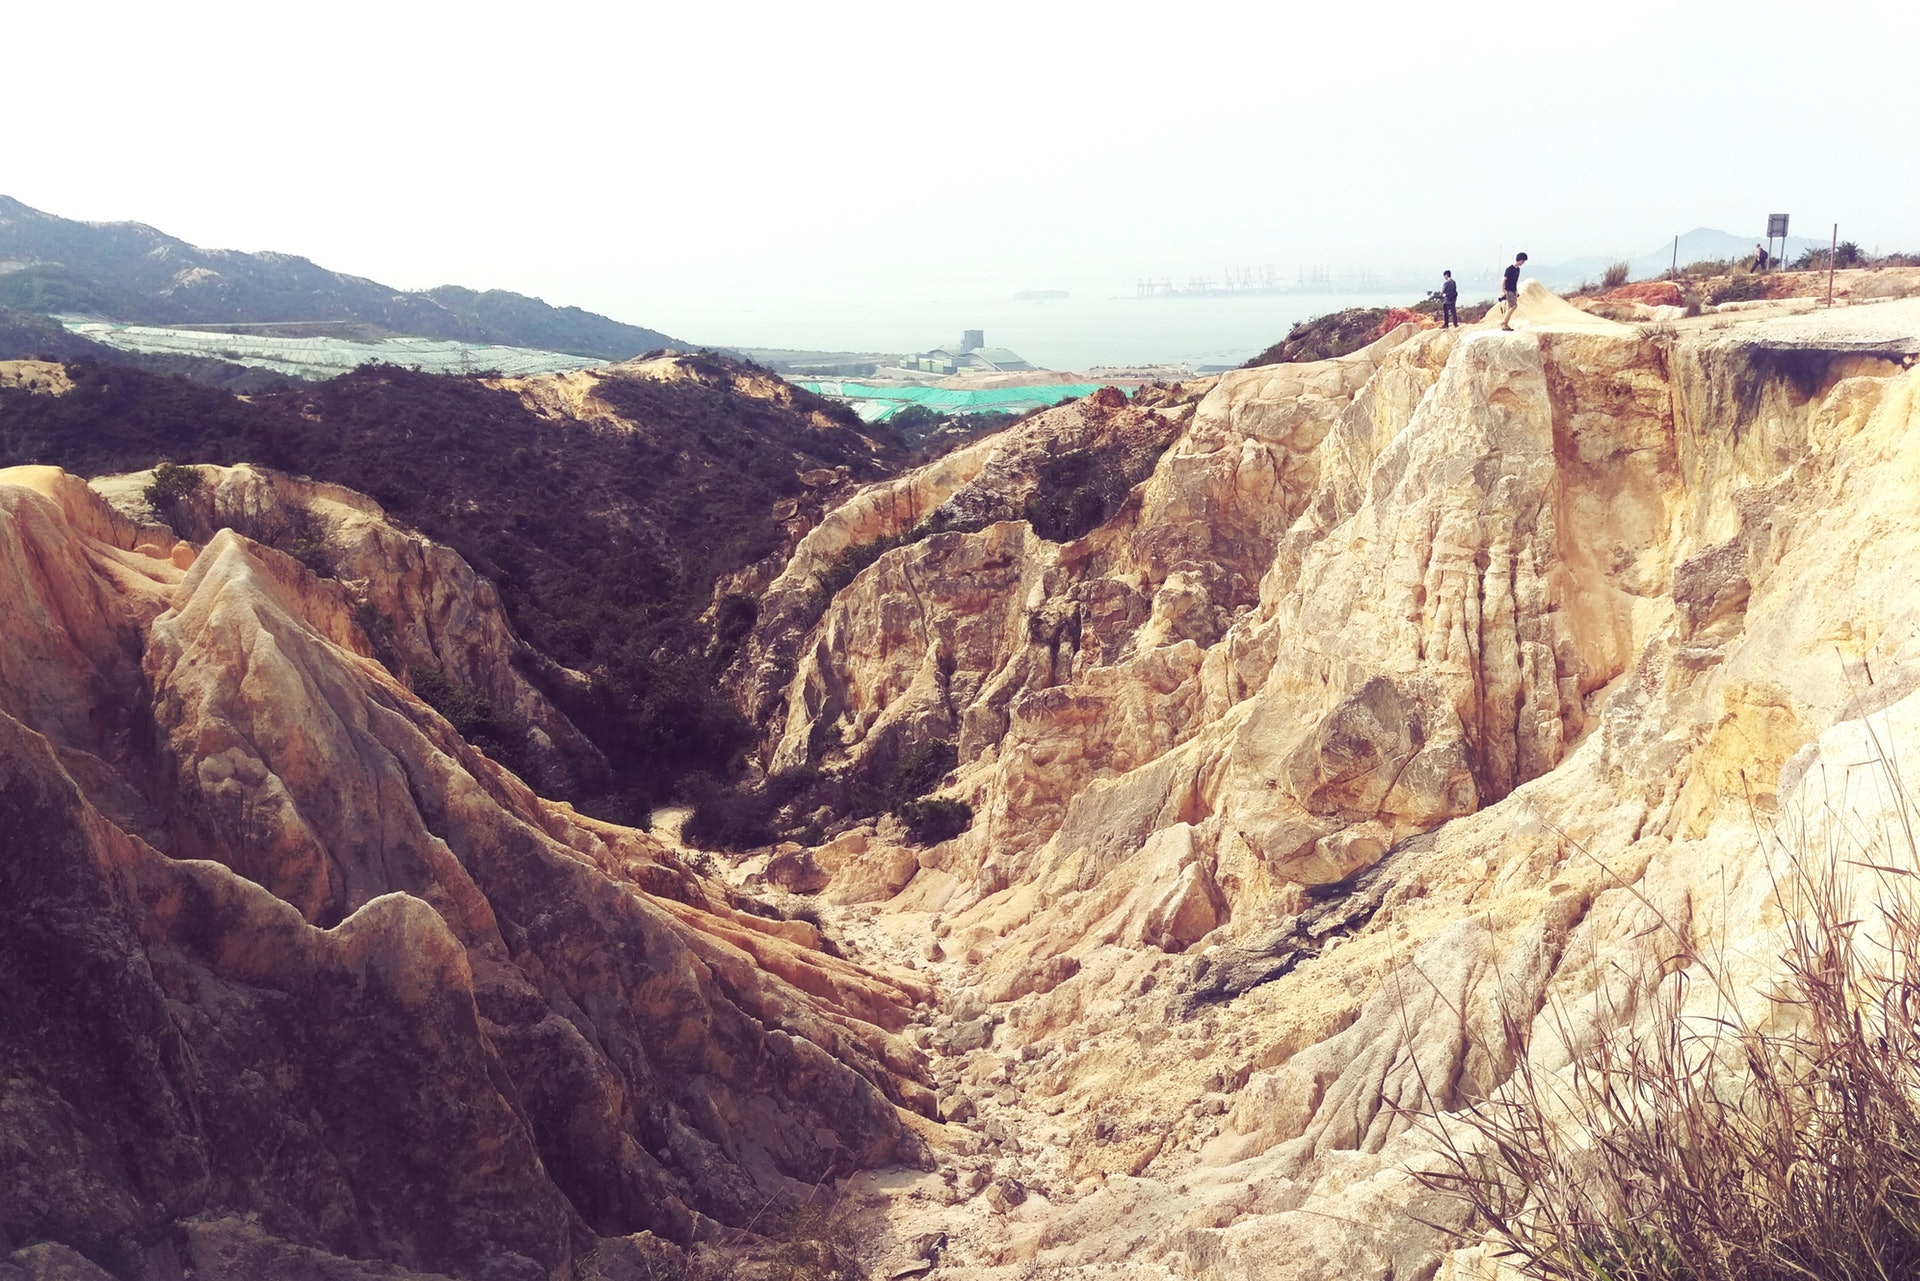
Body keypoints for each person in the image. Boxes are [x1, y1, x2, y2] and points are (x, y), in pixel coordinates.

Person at [1500, 252, 1527, 331]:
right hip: (1508, 290)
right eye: (1523, 261)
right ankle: (1504, 323)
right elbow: (1504, 280)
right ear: (1520, 260)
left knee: (1510, 307)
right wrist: (1503, 291)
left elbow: (1515, 281)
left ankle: (1505, 324)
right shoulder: (1510, 269)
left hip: (1513, 290)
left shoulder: (1517, 270)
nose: (1523, 263)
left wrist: (1516, 291)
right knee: (1513, 306)